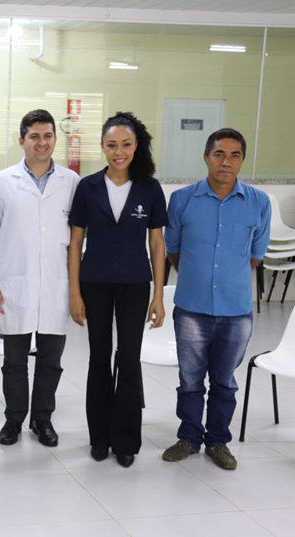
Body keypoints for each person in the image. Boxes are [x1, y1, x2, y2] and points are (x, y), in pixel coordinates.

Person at [161, 128, 270, 470]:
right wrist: (199, 276)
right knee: (190, 380)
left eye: (235, 155)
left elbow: (255, 256)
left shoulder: (259, 203)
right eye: (219, 154)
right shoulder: (182, 199)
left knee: (224, 381)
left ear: (242, 161)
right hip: (192, 307)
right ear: (206, 157)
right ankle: (189, 438)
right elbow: (174, 250)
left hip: (236, 310)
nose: (226, 162)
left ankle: (218, 441)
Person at [68, 112, 168, 468]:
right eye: (112, 145)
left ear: (136, 146)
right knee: (99, 358)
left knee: (128, 360)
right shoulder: (88, 187)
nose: (119, 151)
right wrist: (74, 293)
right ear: (102, 147)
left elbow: (157, 244)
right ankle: (99, 437)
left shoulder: (149, 188)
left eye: (126, 144)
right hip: (93, 283)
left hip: (134, 285)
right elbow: (76, 242)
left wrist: (158, 294)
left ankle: (125, 440)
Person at [0, 109, 80, 448]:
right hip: (13, 283)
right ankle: (13, 419)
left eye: (48, 136)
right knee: (14, 361)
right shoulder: (2, 182)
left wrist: (77, 288)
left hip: (57, 284)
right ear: (22, 141)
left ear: (55, 139)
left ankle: (42, 419)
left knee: (51, 359)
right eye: (34, 136)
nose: (42, 142)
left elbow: (81, 239)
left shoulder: (71, 182)